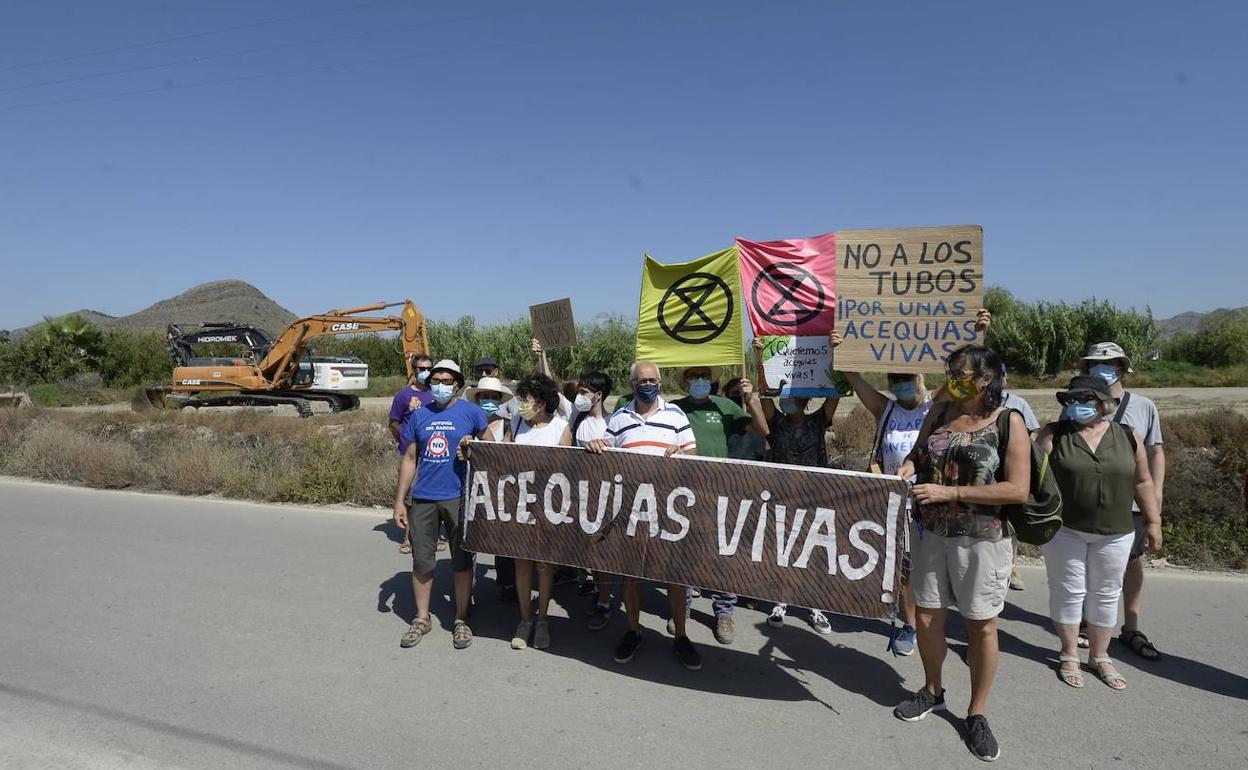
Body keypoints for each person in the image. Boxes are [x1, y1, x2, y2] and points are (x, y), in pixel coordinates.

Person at [892, 345, 1029, 763]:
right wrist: (906, 470)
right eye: (951, 369)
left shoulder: (1008, 421)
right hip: (932, 534)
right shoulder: (940, 414)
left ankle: (977, 713)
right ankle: (932, 689)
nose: (952, 375)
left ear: (985, 379)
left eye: (960, 371)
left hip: (984, 539)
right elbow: (918, 456)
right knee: (929, 617)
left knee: (980, 627)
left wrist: (951, 492)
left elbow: (1017, 489)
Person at [1035, 375, 1162, 690]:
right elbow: (1030, 478)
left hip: (1116, 531)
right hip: (1064, 529)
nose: (1075, 405)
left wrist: (1154, 521)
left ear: (1104, 403)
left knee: (1105, 593)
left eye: (1084, 399)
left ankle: (1100, 655)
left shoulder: (1127, 435)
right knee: (1068, 591)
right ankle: (1068, 653)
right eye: (1071, 400)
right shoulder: (1053, 434)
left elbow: (1143, 481)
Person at [585, 361, 702, 671]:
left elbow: (693, 453)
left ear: (660, 382)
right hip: (631, 511)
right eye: (641, 380)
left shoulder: (676, 415)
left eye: (652, 379)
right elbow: (607, 451)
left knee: (675, 577)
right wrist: (596, 444)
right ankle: (634, 631)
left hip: (669, 511)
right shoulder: (620, 418)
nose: (647, 384)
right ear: (631, 383)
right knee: (631, 576)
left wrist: (680, 455)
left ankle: (681, 636)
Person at [393, 359, 492, 651]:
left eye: (447, 380)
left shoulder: (472, 413)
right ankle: (422, 618)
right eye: (436, 379)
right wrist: (400, 501)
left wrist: (472, 446)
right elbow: (410, 459)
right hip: (423, 498)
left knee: (461, 562)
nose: (440, 385)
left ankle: (462, 618)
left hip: (460, 497)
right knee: (422, 562)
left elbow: (492, 450)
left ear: (458, 385)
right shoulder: (419, 415)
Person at [1080, 342, 1165, 661]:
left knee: (1131, 562)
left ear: (1122, 367)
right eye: (1094, 364)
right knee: (1088, 560)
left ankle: (1131, 626)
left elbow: (1156, 452)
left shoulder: (1144, 406)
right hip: (1086, 501)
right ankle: (1088, 622)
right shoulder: (1079, 403)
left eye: (1110, 363)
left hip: (1130, 503)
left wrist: (1155, 495)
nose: (1101, 369)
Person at [672, 363, 768, 645]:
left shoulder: (725, 406)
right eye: (693, 376)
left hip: (722, 489)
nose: (699, 380)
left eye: (704, 376)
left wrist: (751, 398)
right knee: (685, 552)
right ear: (685, 382)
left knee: (723, 553)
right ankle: (683, 608)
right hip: (685, 489)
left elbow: (761, 430)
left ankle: (724, 613)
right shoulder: (675, 409)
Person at [752, 338, 839, 635]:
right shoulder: (776, 423)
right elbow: (764, 395)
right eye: (785, 394)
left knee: (814, 551)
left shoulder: (818, 422)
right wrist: (760, 355)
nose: (787, 399)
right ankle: (782, 600)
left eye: (793, 395)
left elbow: (834, 393)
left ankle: (815, 605)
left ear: (804, 398)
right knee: (783, 548)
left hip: (816, 495)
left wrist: (833, 354)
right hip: (783, 495)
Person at [502, 374, 573, 651]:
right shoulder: (516, 423)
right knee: (522, 564)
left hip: (549, 508)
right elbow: (502, 457)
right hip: (520, 506)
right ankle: (524, 619)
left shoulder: (561, 427)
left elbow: (567, 471)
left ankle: (542, 620)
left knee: (544, 566)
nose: (520, 403)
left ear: (541, 402)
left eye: (525, 399)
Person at [571, 371, 622, 630]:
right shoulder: (575, 417)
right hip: (577, 495)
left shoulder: (614, 423)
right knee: (585, 551)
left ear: (598, 395)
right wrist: (541, 356)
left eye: (584, 392)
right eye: (578, 391)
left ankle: (603, 603)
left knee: (601, 554)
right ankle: (587, 582)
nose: (579, 397)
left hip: (603, 499)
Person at [388, 353, 434, 555]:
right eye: (422, 369)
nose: (426, 372)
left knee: (430, 499)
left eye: (429, 369)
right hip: (412, 456)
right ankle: (408, 539)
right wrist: (404, 441)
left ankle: (429, 538)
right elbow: (393, 423)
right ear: (414, 370)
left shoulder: (436, 394)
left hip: (433, 455)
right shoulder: (404, 396)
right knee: (412, 497)